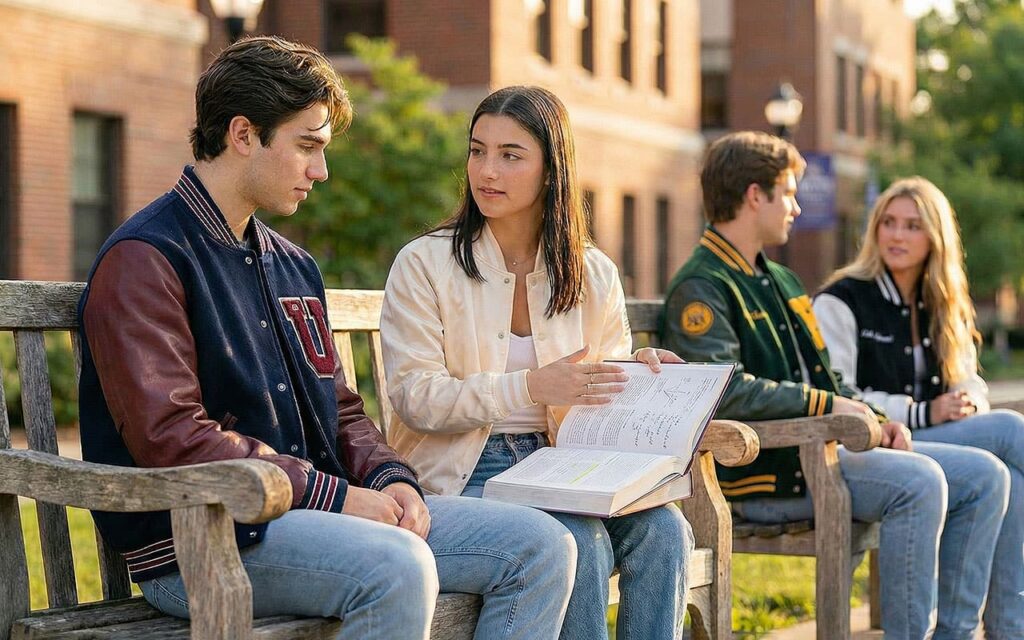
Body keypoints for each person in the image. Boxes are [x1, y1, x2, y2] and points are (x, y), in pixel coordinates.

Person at [77, 37, 577, 640]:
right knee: (396, 565)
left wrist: (391, 479)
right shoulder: (146, 260)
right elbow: (173, 439)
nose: (321, 170)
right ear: (243, 134)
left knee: (543, 544)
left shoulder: (292, 266)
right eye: (307, 146)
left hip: (318, 514)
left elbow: (341, 409)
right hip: (205, 538)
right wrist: (335, 498)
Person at [661, 131, 1009, 639]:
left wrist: (881, 421)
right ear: (755, 196)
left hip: (820, 451)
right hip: (766, 469)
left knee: (985, 476)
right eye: (788, 193)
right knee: (921, 482)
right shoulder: (704, 284)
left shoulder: (779, 279)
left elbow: (830, 377)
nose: (796, 208)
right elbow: (724, 392)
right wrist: (830, 406)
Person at [379, 85, 693, 640]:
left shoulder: (591, 272)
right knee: (583, 543)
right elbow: (415, 397)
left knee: (665, 531)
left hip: (565, 467)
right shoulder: (424, 263)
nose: (486, 171)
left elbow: (604, 385)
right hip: (464, 473)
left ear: (552, 171)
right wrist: (529, 387)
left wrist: (641, 371)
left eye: (510, 155)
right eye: (478, 151)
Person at [814, 175, 1024, 638]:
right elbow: (839, 395)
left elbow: (970, 377)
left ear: (935, 237)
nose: (896, 235)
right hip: (878, 443)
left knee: (1013, 461)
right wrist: (923, 412)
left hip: (934, 441)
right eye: (888, 223)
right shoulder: (842, 299)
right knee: (1010, 437)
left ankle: (1008, 628)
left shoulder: (942, 301)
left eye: (912, 226)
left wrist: (969, 399)